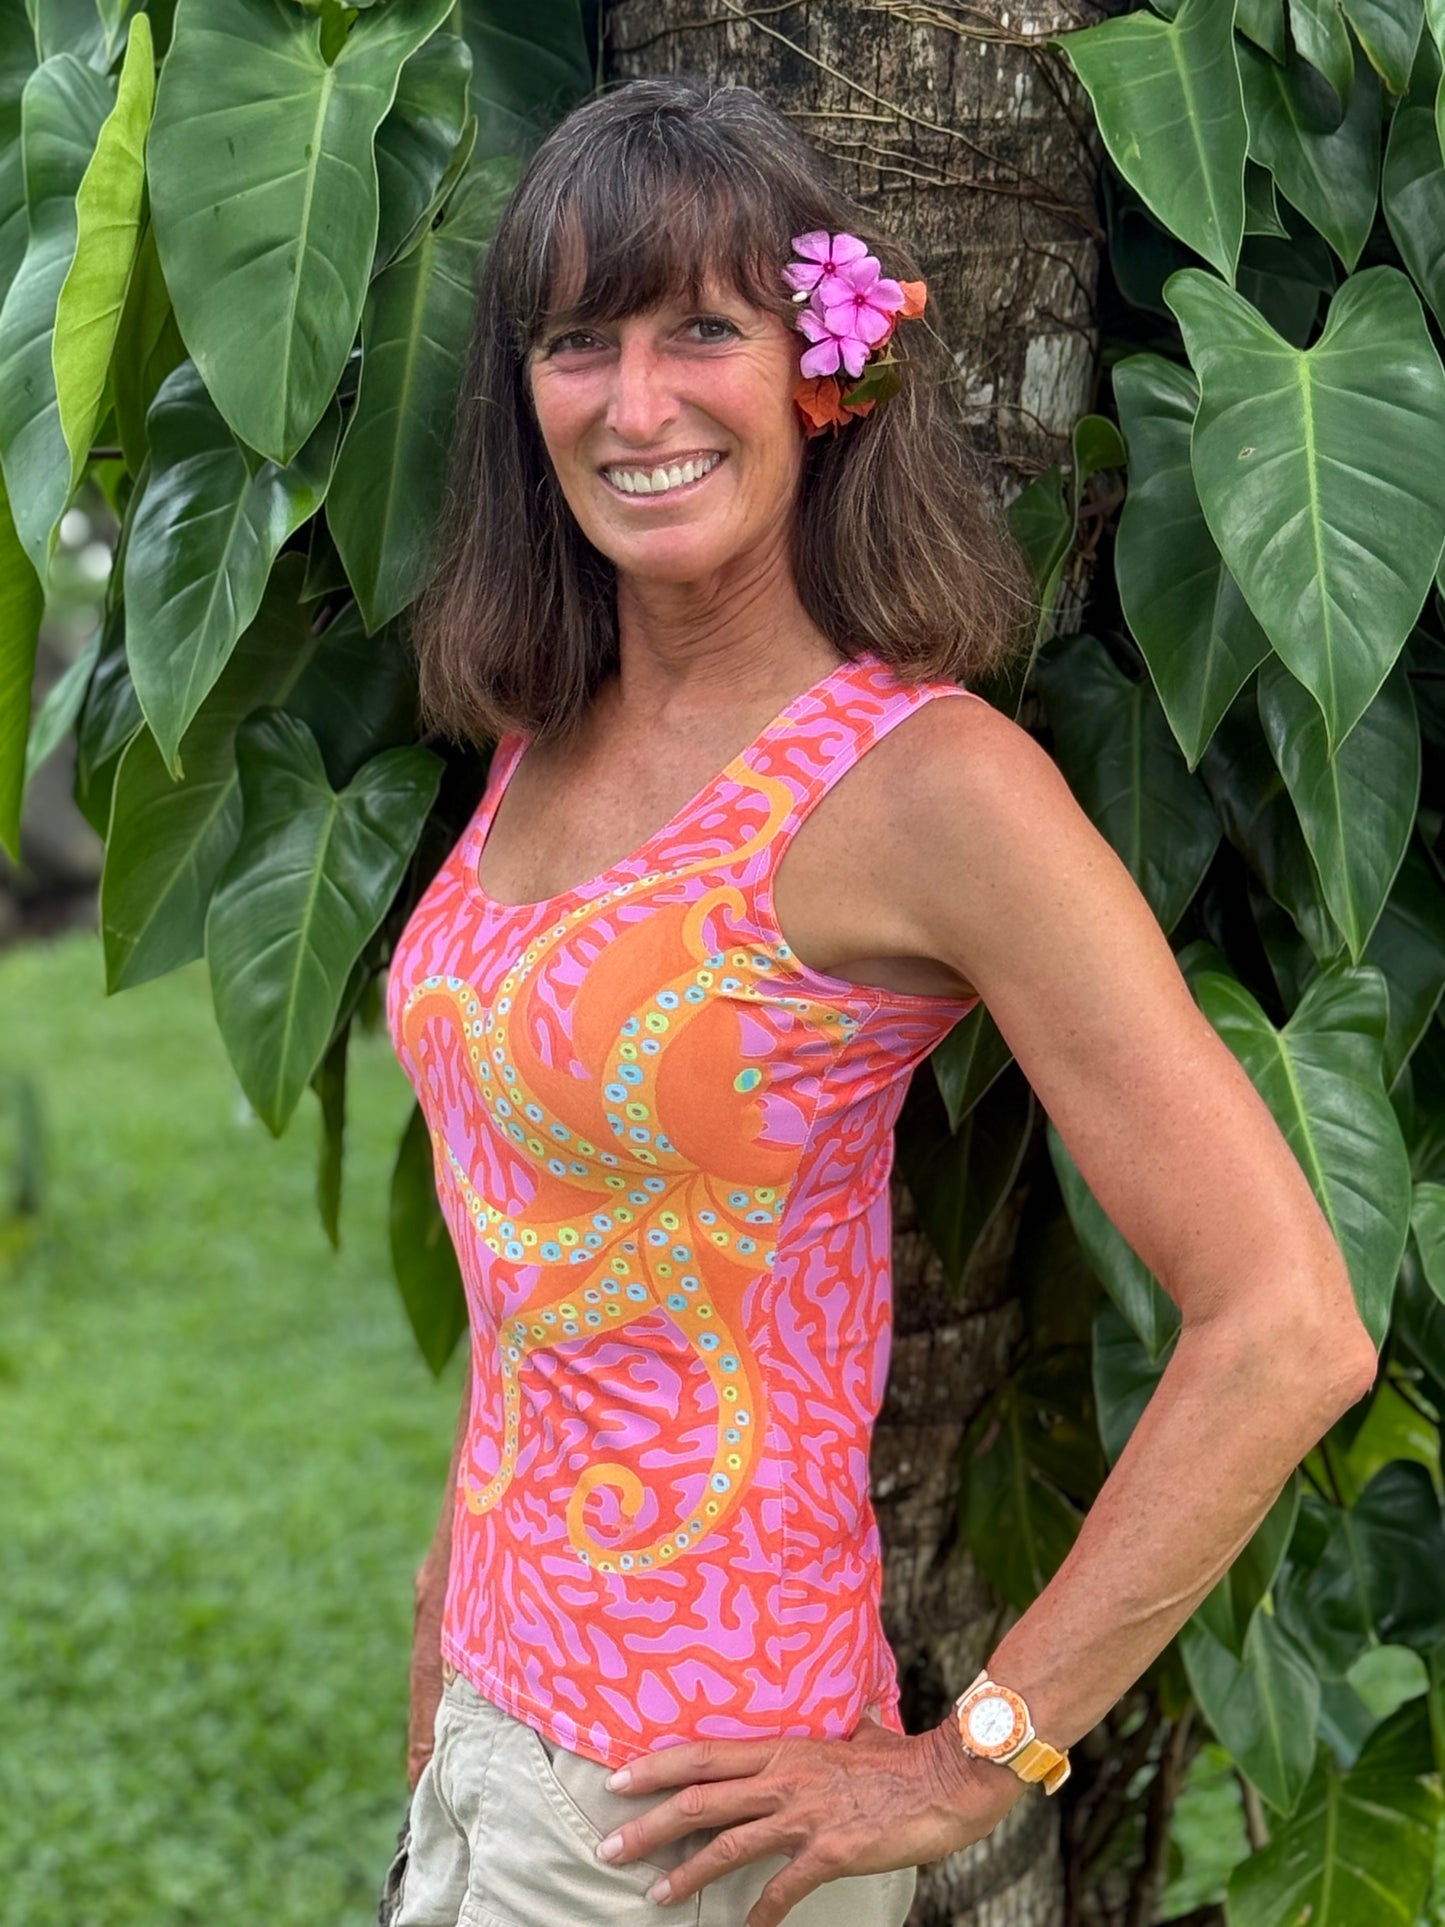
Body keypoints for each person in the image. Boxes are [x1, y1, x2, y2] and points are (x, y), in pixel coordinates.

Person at [379, 71, 1377, 1927]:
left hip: (691, 1823)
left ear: (820, 369)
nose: (637, 403)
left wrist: (967, 1757)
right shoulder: (545, 739)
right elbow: (540, 1263)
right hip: (488, 1761)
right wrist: (446, 1652)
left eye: (702, 331)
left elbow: (1288, 1324)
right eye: (576, 342)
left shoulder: (923, 787)